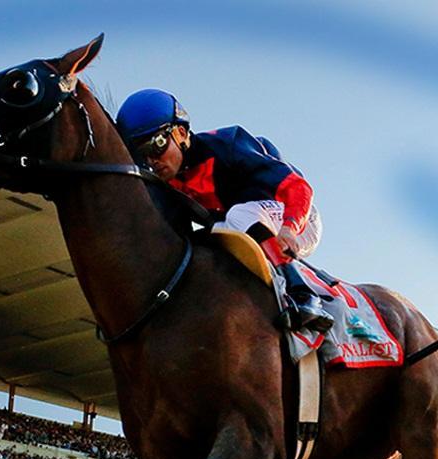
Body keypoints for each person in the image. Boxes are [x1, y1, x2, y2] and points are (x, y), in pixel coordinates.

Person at [115, 88, 334, 332]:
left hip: (296, 214)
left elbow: (298, 188)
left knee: (238, 216)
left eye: (156, 145)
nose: (151, 161)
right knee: (211, 238)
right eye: (140, 155)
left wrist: (290, 227)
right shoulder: (166, 185)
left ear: (180, 133)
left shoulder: (228, 144)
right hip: (241, 226)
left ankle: (302, 294)